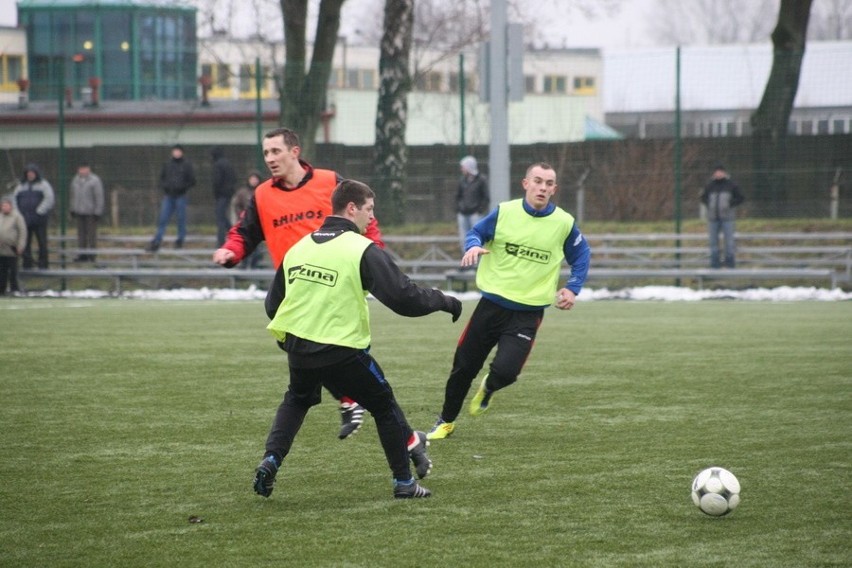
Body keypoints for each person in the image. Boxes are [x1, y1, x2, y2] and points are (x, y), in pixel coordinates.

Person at [254, 179, 463, 499]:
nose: (372, 218)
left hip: (298, 349)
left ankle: (270, 460)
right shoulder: (361, 249)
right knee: (383, 404)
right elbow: (404, 297)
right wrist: (444, 301)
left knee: (296, 400)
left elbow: (273, 304)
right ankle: (404, 483)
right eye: (369, 210)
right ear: (351, 208)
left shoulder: (301, 246)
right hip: (341, 350)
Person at [213, 127, 384, 440]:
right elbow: (245, 232)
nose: (270, 158)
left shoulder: (329, 182)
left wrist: (375, 258)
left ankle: (389, 426)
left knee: (334, 356)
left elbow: (363, 216)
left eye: (275, 151)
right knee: (301, 343)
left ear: (295, 152)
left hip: (337, 284)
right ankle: (355, 403)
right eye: (266, 153)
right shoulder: (263, 194)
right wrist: (231, 250)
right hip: (296, 290)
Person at [427, 162, 591, 441]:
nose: (543, 187)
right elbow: (475, 232)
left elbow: (581, 255)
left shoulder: (563, 223)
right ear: (525, 183)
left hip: (527, 314)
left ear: (554, 189)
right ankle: (446, 421)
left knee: (506, 372)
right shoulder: (505, 212)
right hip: (490, 307)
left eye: (549, 183)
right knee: (463, 368)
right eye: (537, 181)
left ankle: (489, 387)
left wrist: (572, 288)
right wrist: (473, 246)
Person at [147, 144, 196, 252]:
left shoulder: (187, 165)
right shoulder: (167, 164)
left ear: (182, 152)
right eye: (175, 151)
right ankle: (157, 240)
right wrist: (165, 187)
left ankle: (180, 240)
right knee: (163, 219)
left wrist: (183, 187)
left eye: (178, 151)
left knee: (181, 219)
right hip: (168, 196)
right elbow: (162, 178)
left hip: (181, 196)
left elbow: (192, 181)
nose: (176, 153)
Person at [700, 164, 744, 269]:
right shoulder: (709, 185)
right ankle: (715, 265)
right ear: (714, 173)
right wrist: (709, 205)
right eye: (716, 172)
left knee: (729, 242)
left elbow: (741, 198)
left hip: (727, 218)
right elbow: (703, 198)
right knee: (713, 243)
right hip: (712, 219)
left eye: (720, 172)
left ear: (724, 173)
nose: (718, 174)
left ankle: (730, 264)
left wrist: (730, 204)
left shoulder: (731, 185)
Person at [13, 163, 54, 270]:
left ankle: (43, 264)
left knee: (42, 242)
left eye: (32, 173)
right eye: (28, 173)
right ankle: (27, 264)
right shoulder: (20, 186)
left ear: (36, 173)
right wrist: (18, 213)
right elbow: (14, 200)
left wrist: (39, 211)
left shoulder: (44, 184)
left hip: (40, 219)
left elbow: (49, 198)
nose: (30, 175)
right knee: (25, 242)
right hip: (24, 219)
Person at [69, 162, 105, 262]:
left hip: (91, 212)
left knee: (91, 235)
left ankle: (92, 255)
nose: (82, 171)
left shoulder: (95, 180)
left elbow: (99, 197)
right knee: (81, 235)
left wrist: (98, 211)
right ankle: (82, 255)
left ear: (88, 169)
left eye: (84, 168)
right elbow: (73, 196)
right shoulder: (75, 180)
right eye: (80, 168)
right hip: (79, 212)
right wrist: (72, 209)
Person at [230, 171, 264, 269]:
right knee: (245, 244)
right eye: (252, 179)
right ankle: (244, 265)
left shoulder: (262, 192)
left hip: (258, 224)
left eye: (255, 179)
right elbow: (236, 206)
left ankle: (255, 265)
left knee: (257, 247)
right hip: (246, 223)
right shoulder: (242, 192)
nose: (253, 181)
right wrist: (240, 215)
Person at [455, 155, 489, 253]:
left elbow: (485, 197)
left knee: (476, 237)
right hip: (463, 213)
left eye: (463, 167)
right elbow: (458, 196)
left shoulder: (481, 180)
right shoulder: (462, 180)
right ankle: (465, 260)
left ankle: (476, 262)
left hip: (475, 214)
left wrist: (479, 210)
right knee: (463, 238)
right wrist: (459, 208)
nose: (462, 169)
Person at [210, 146, 237, 246]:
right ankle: (232, 231)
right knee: (222, 216)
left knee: (220, 217)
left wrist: (216, 194)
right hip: (228, 193)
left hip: (221, 194)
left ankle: (221, 240)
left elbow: (216, 182)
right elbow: (234, 178)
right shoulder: (228, 164)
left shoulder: (217, 165)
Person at [0, 195, 27, 295]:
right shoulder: (0, 216)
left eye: (6, 206)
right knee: (2, 271)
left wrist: (20, 246)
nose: (4, 208)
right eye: (3, 206)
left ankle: (14, 289)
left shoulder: (17, 217)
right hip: (1, 250)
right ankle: (1, 290)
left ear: (11, 206)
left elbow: (22, 232)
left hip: (12, 249)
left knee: (13, 271)